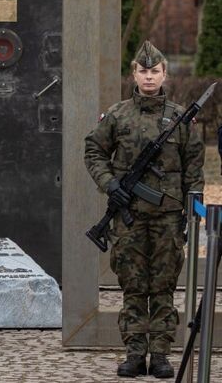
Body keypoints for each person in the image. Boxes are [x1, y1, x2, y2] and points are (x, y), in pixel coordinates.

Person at [85, 40, 204, 379]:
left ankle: (162, 355)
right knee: (134, 287)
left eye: (155, 71)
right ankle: (135, 353)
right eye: (143, 71)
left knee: (164, 286)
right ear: (133, 74)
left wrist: (191, 213)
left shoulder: (181, 120)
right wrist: (110, 184)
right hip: (129, 218)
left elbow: (194, 169)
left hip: (168, 217)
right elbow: (93, 151)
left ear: (164, 74)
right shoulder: (118, 115)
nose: (149, 77)